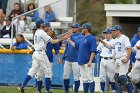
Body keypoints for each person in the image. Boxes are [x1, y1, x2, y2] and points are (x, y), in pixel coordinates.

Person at [18, 18, 64, 93]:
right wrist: (62, 38)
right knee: (48, 71)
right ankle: (47, 91)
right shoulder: (41, 32)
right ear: (41, 24)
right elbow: (52, 41)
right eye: (43, 24)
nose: (44, 24)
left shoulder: (37, 32)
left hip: (36, 53)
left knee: (32, 71)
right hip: (41, 53)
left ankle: (22, 86)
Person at [98, 25, 132, 93]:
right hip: (117, 59)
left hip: (123, 58)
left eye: (114, 30)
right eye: (113, 30)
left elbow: (129, 48)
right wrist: (103, 42)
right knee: (116, 77)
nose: (113, 32)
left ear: (119, 30)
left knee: (122, 77)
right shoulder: (116, 40)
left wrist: (127, 58)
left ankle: (130, 91)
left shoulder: (124, 38)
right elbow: (109, 46)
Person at [65, 23, 96, 93]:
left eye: (83, 29)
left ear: (86, 29)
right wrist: (69, 40)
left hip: (88, 61)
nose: (81, 30)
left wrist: (90, 61)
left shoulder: (92, 38)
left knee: (90, 78)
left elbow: (93, 51)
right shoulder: (83, 38)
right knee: (84, 79)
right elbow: (76, 45)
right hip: (81, 61)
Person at [35, 21, 61, 93]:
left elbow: (56, 49)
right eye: (45, 26)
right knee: (39, 75)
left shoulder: (52, 37)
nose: (46, 27)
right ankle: (38, 90)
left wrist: (59, 58)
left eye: (47, 26)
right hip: (40, 57)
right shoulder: (40, 34)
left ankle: (47, 90)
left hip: (49, 59)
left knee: (49, 74)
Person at [62, 23, 83, 93]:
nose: (73, 29)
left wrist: (71, 37)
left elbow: (77, 45)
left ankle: (75, 91)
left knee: (76, 77)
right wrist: (63, 57)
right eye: (72, 27)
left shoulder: (81, 36)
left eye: (74, 27)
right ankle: (66, 90)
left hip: (76, 59)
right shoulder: (70, 36)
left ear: (78, 28)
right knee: (65, 76)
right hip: (68, 59)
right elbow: (67, 47)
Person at [97, 28, 115, 93]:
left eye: (107, 33)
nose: (106, 35)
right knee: (102, 77)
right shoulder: (102, 42)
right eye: (105, 33)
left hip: (110, 60)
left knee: (111, 77)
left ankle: (114, 90)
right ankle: (102, 90)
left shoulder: (114, 41)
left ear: (110, 34)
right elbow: (98, 50)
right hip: (103, 59)